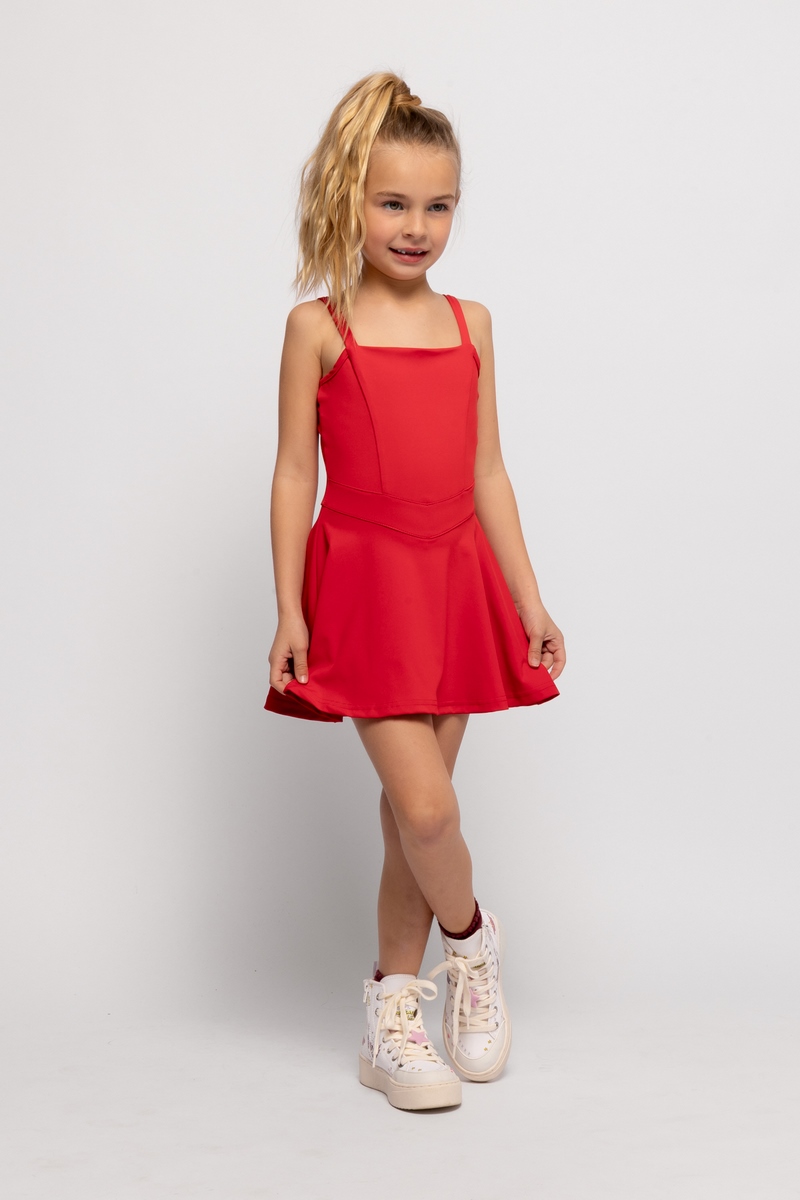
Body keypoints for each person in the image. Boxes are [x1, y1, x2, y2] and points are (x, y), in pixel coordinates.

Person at [265, 72, 566, 1111]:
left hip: (452, 582)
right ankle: (472, 944)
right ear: (349, 197)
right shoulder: (317, 327)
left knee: (408, 819)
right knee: (430, 810)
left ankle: (391, 1018)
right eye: (393, 202)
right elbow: (293, 474)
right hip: (364, 589)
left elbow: (488, 473)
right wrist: (290, 609)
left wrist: (528, 600)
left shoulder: (471, 323)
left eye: (438, 206)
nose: (416, 226)